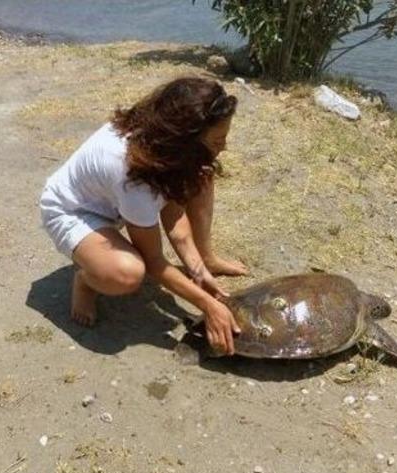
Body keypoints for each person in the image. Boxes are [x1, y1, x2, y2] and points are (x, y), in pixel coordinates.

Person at [40, 76, 248, 355]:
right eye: (218, 139)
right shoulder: (132, 176)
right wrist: (209, 305)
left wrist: (197, 269)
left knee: (201, 175)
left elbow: (173, 217)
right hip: (71, 210)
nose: (225, 146)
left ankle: (208, 258)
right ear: (184, 140)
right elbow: (153, 261)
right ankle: (86, 282)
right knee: (128, 273)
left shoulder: (159, 138)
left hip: (113, 202)